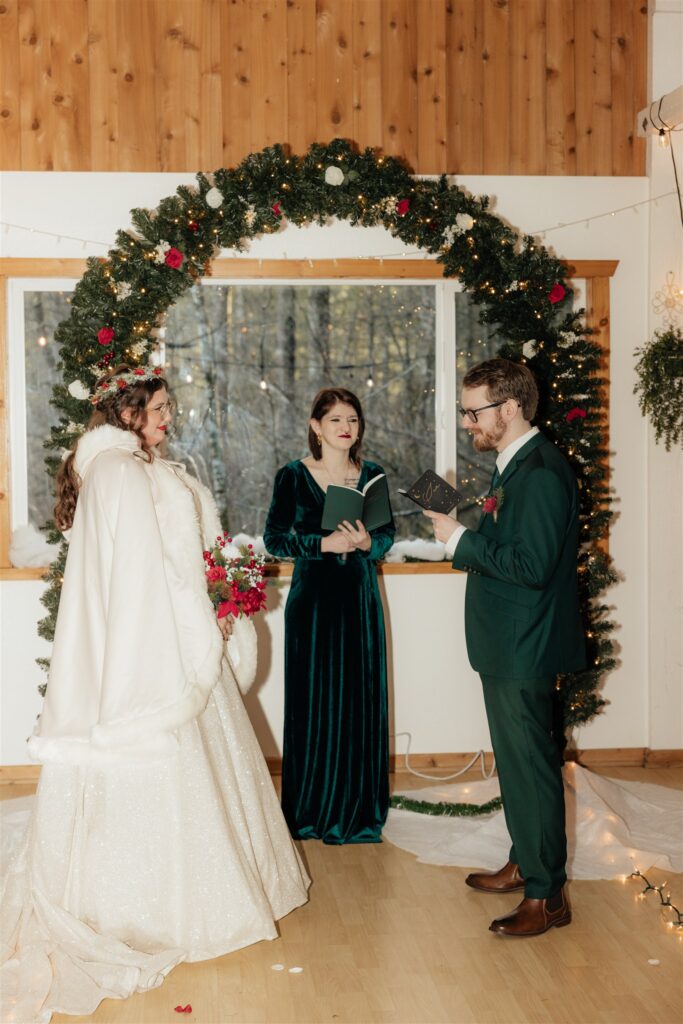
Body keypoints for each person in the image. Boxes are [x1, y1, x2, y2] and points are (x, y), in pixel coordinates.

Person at [0, 365, 309, 1023]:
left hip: (165, 641)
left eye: (170, 406)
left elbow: (169, 564)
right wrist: (206, 613)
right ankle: (157, 909)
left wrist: (220, 589)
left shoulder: (126, 468)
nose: (170, 417)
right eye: (159, 407)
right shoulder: (122, 473)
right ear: (128, 412)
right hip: (156, 656)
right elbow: (150, 579)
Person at [425, 357, 586, 937]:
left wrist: (460, 540)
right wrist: (462, 531)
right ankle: (525, 862)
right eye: (465, 412)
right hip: (509, 641)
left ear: (510, 407)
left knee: (531, 767)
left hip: (525, 644)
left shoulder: (540, 472)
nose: (467, 422)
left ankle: (548, 896)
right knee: (518, 765)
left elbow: (532, 566)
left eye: (475, 412)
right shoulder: (515, 464)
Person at [263, 387, 395, 844]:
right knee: (313, 702)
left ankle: (356, 813)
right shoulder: (292, 475)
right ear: (316, 426)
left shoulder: (372, 475)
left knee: (359, 701)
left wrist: (367, 543)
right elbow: (274, 539)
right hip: (313, 604)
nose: (345, 427)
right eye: (336, 419)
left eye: (352, 419)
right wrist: (324, 544)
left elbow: (386, 536)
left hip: (359, 600)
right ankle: (309, 812)